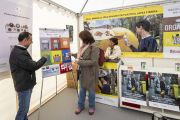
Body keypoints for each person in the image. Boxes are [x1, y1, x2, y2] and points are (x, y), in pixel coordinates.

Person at [9, 32, 48, 120]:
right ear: (25, 40)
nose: (32, 42)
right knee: (23, 111)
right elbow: (33, 65)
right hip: (24, 87)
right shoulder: (19, 53)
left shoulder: (20, 51)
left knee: (24, 111)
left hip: (25, 84)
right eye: (30, 40)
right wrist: (44, 58)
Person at [68, 30, 99, 115]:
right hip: (82, 72)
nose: (81, 40)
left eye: (81, 38)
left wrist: (79, 62)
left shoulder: (94, 47)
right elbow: (81, 55)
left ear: (86, 38)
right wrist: (73, 54)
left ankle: (91, 107)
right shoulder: (83, 46)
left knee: (91, 90)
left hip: (90, 73)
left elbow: (93, 62)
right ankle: (80, 105)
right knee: (82, 90)